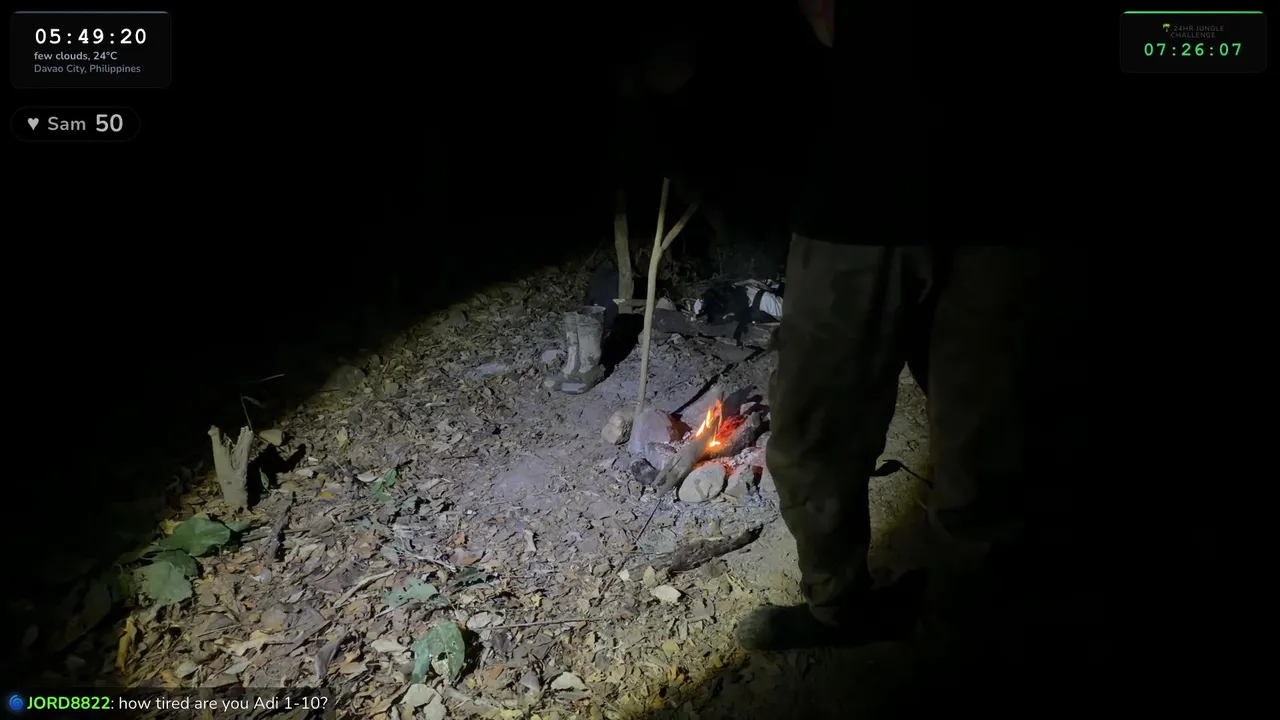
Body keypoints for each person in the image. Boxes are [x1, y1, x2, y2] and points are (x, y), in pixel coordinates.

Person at [734, 0, 1092, 658]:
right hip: (858, 188)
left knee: (989, 434)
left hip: (1015, 191)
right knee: (816, 429)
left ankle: (966, 625)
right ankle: (838, 607)